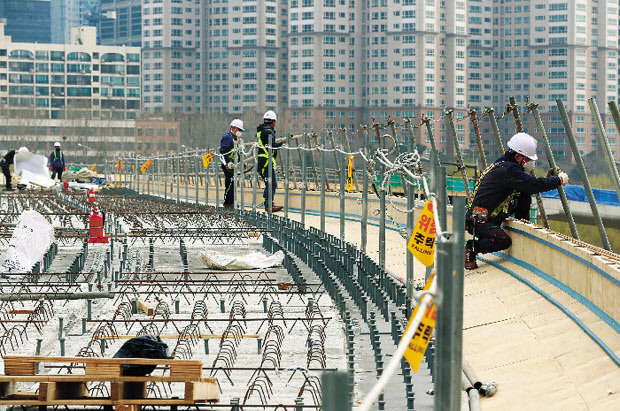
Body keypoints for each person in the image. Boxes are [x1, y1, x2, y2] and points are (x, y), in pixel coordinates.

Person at [465, 132, 569, 269]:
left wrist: (547, 180)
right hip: (480, 221)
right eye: (528, 159)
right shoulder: (508, 170)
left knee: (524, 192)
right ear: (518, 157)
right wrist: (558, 180)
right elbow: (533, 185)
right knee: (502, 241)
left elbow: (527, 185)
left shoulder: (503, 166)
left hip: (487, 216)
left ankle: (522, 223)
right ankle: (470, 249)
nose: (530, 163)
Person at [257, 110, 286, 212]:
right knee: (272, 183)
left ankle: (268, 204)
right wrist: (282, 144)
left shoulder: (261, 131)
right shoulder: (269, 132)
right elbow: (271, 145)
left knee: (269, 183)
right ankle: (269, 205)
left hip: (262, 162)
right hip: (266, 162)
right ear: (273, 122)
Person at [219, 119, 245, 208]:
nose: (240, 132)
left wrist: (241, 162)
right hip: (227, 164)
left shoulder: (235, 139)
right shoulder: (227, 137)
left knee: (233, 183)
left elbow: (237, 153)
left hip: (233, 165)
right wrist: (228, 162)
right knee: (230, 183)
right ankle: (227, 203)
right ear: (234, 128)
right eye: (239, 130)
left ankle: (231, 202)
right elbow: (224, 151)